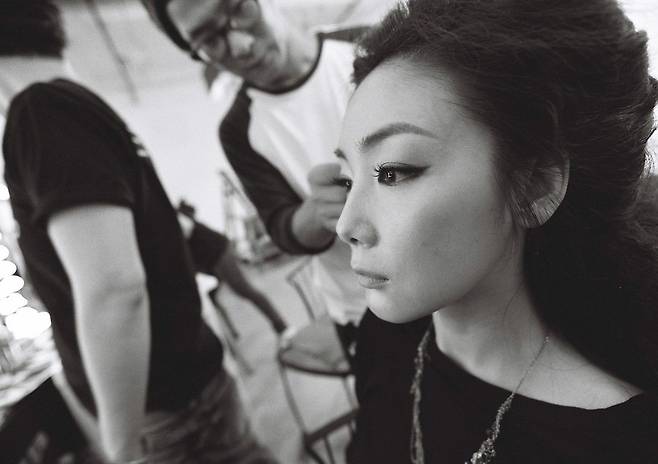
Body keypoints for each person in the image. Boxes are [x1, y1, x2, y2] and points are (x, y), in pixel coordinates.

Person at [333, 0, 658, 462]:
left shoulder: (615, 446)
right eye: (347, 179)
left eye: (393, 172)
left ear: (535, 187)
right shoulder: (385, 338)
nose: (346, 225)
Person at [0, 3, 278, 463]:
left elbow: (115, 290)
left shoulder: (42, 113)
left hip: (161, 411)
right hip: (190, 381)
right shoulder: (72, 104)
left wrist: (121, 445)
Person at [141, 0, 367, 360]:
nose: (240, 46)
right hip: (365, 307)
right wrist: (317, 213)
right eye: (209, 40)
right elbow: (282, 227)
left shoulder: (366, 48)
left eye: (239, 9)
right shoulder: (239, 129)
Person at [176, 200, 287, 334]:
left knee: (244, 289)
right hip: (210, 261)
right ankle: (233, 334)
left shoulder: (174, 221)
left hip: (218, 252)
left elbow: (184, 235)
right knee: (226, 295)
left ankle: (281, 325)